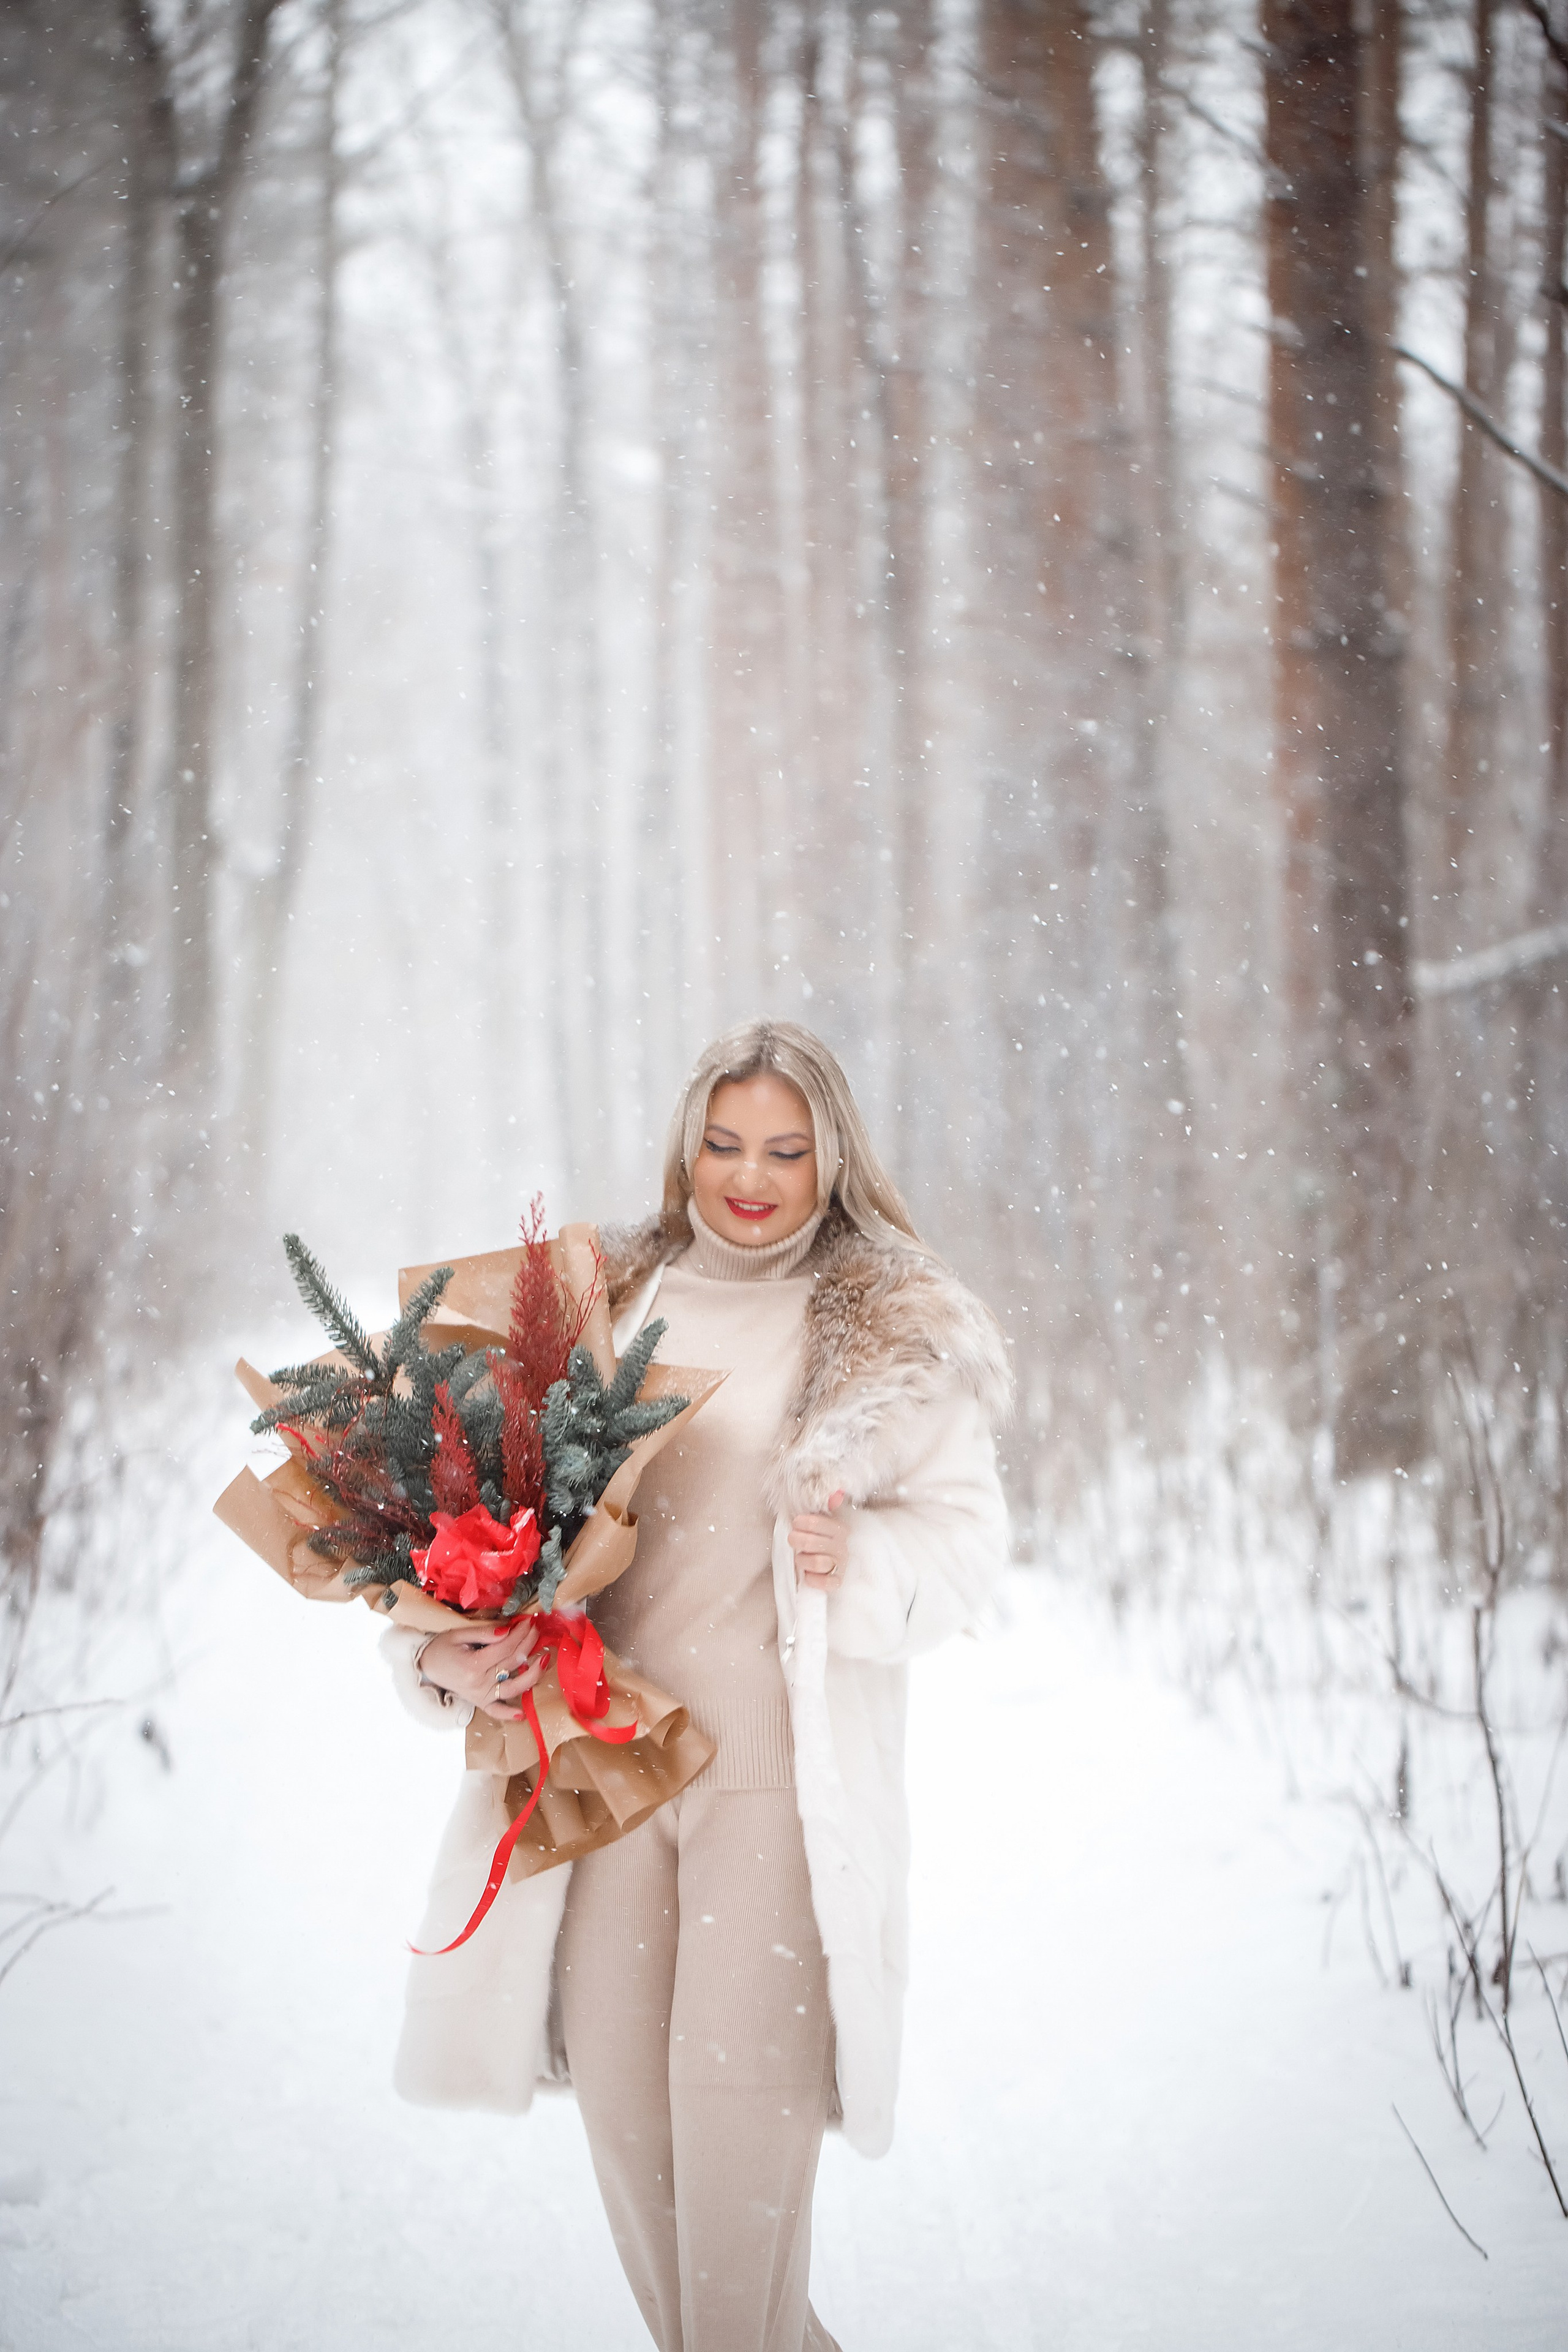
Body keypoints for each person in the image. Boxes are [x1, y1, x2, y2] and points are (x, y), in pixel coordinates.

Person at [382, 1020, 1011, 2352]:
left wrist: (868, 1552)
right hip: (607, 1777)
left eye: (785, 1150)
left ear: (831, 1160)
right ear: (684, 1145)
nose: (750, 1175)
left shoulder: (888, 1328)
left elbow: (967, 1542)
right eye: (723, 1142)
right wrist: (438, 1654)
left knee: (734, 2226)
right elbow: (462, 1526)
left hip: (772, 1801)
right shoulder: (593, 1304)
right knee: (649, 2194)